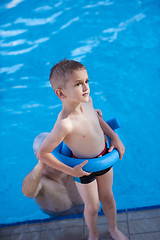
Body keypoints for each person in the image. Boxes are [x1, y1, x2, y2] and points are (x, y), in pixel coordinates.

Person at [36, 59, 128, 240]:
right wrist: (71, 170)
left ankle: (113, 229)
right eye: (78, 84)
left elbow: (97, 119)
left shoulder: (87, 102)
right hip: (82, 169)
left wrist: (115, 137)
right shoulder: (65, 123)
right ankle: (93, 234)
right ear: (61, 93)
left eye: (86, 81)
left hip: (103, 158)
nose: (86, 87)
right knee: (93, 206)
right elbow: (43, 153)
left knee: (108, 198)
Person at [22, 110, 103, 216]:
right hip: (60, 221)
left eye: (58, 154)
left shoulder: (77, 168)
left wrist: (93, 119)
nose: (56, 161)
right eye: (49, 158)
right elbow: (28, 193)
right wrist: (41, 162)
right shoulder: (41, 181)